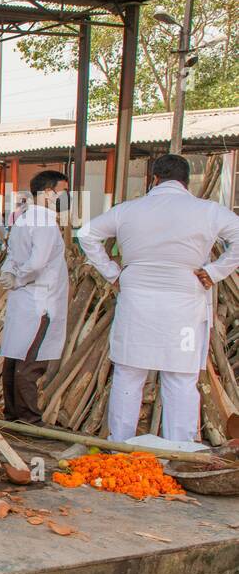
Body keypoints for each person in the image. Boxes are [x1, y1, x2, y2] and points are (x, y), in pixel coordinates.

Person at [79, 153, 239, 443]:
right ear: (186, 181)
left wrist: (111, 273)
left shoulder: (128, 210)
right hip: (185, 304)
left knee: (129, 374)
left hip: (136, 300)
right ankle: (180, 450)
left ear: (154, 179)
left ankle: (120, 447)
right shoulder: (209, 211)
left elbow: (86, 234)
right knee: (181, 378)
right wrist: (215, 271)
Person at [0, 171, 69, 425]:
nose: (64, 196)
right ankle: (28, 417)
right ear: (49, 192)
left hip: (24, 300)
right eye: (62, 191)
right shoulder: (45, 223)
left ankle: (13, 413)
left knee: (15, 355)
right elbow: (37, 263)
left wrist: (10, 274)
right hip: (41, 301)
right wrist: (17, 278)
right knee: (31, 360)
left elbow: (12, 254)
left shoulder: (24, 219)